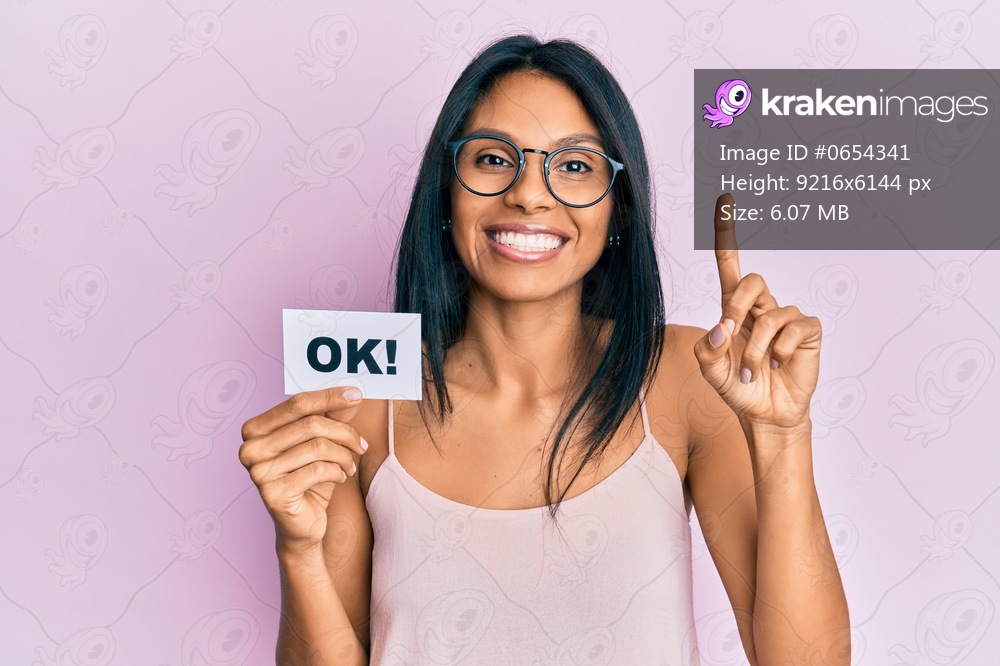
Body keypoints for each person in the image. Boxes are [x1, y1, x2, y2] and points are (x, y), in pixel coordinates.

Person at [239, 34, 850, 665]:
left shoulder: (684, 377)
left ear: (618, 211)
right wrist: (298, 550)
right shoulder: (363, 402)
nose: (530, 194)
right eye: (494, 159)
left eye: (576, 165)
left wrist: (782, 437)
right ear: (446, 192)